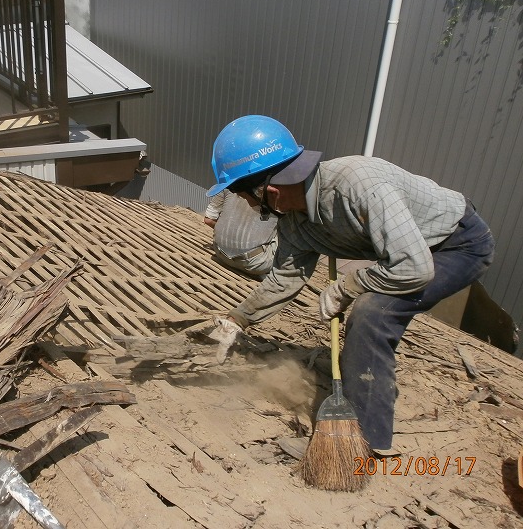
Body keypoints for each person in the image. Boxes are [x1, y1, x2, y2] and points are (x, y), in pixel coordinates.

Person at [207, 115, 495, 454]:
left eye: (246, 197)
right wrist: (238, 319)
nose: (250, 206)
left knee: (374, 313)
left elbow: (414, 268)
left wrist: (349, 286)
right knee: (372, 305)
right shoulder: (295, 221)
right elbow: (285, 277)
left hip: (454, 244)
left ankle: (364, 443)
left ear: (270, 191)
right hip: (406, 250)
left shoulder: (359, 186)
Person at [203, 189, 278, 279]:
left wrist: (231, 233)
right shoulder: (279, 192)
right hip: (255, 264)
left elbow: (209, 219)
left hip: (220, 253)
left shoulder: (227, 185)